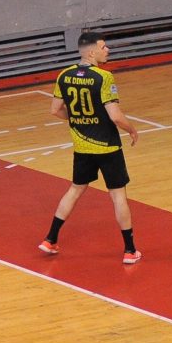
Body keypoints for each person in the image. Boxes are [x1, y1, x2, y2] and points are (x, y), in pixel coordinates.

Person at [40, 31, 142, 264]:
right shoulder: (103, 78)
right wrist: (132, 129)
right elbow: (115, 116)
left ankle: (50, 238)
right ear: (92, 52)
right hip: (107, 147)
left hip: (82, 146)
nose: (108, 50)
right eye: (104, 47)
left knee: (75, 189)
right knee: (118, 195)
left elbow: (55, 110)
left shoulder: (64, 75)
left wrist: (79, 120)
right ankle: (129, 250)